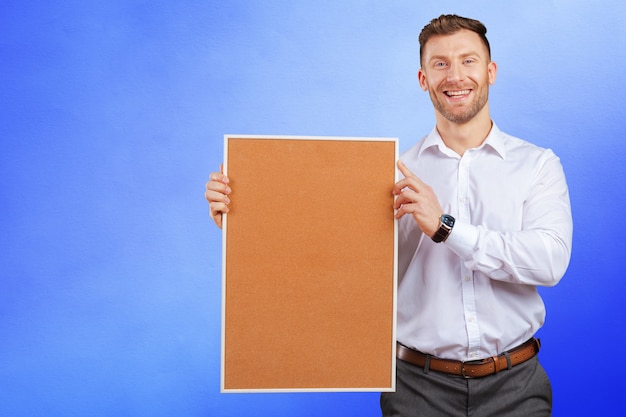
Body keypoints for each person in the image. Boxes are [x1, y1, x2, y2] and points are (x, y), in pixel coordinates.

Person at [205, 14, 572, 417]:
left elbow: (549, 261)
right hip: (418, 391)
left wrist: (446, 227)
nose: (455, 76)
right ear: (422, 79)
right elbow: (336, 268)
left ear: (491, 71)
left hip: (516, 386)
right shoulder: (388, 175)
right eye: (440, 64)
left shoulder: (537, 165)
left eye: (468, 61)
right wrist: (249, 221)